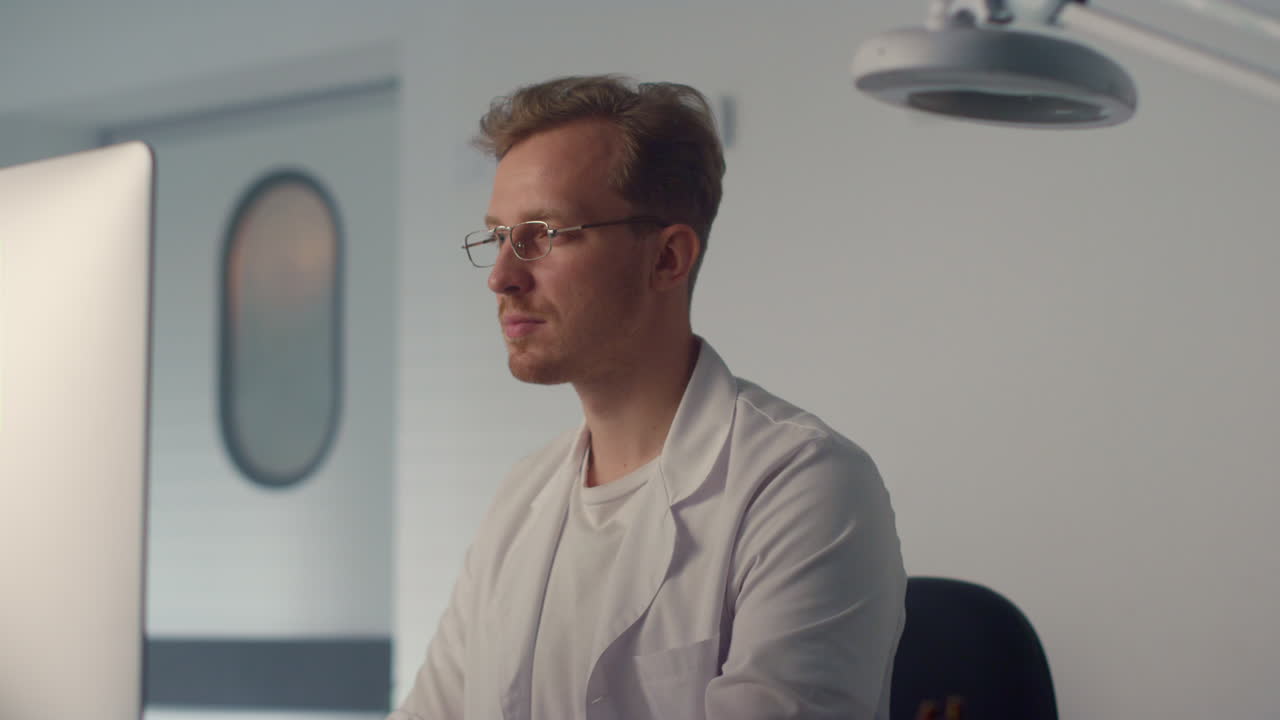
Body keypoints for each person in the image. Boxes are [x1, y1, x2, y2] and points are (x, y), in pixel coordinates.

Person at [391, 74, 906, 720]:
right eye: (498, 236)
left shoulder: (805, 486)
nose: (502, 276)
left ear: (667, 259)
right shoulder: (522, 498)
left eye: (543, 233)